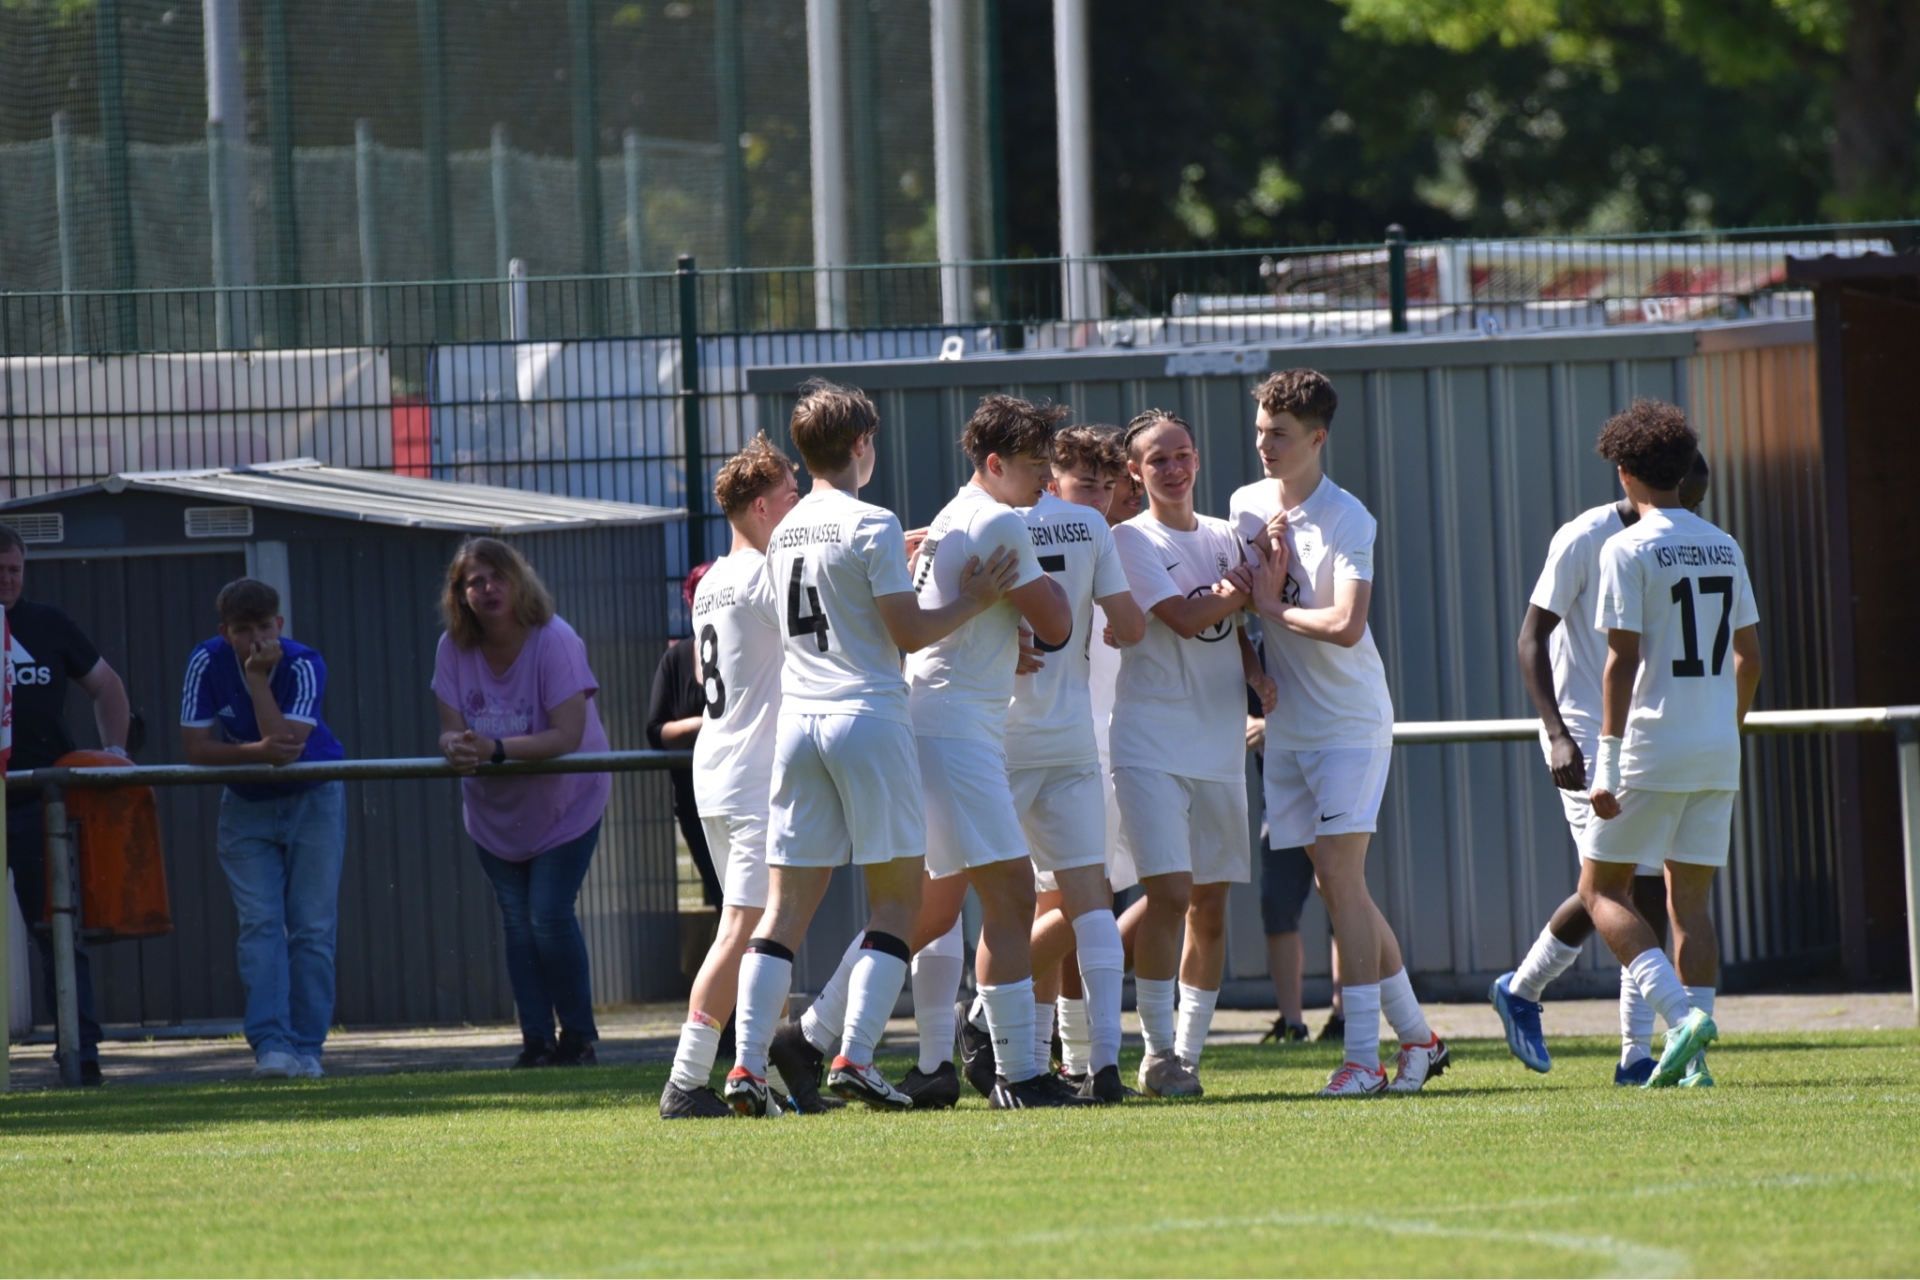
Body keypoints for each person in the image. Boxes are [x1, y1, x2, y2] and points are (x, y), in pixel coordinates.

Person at [774, 394, 1084, 1113]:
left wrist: (1000, 633)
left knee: (932, 912)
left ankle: (809, 1037)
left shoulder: (953, 513)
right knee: (1013, 894)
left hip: (935, 720)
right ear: (995, 463)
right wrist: (1033, 604)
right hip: (954, 731)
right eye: (1035, 464)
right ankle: (1017, 1071)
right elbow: (1059, 625)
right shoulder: (999, 520)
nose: (1048, 479)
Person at [724, 379, 1019, 1117]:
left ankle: (747, 1068)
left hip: (800, 722)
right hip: (867, 717)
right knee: (897, 901)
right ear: (861, 445)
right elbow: (909, 633)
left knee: (783, 910)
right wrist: (976, 599)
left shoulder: (785, 527)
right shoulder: (873, 521)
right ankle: (854, 1055)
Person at [1233, 368, 1446, 1097]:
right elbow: (1241, 615)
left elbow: (1348, 625)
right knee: (1336, 885)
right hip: (1288, 729)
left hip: (1350, 724)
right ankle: (1419, 1038)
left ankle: (1362, 1059)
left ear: (1317, 438)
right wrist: (1256, 671)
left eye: (1280, 434)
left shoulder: (1349, 517)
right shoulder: (1245, 505)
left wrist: (1272, 608)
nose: (1264, 445)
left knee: (1342, 881)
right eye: (1259, 430)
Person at [1491, 449, 1710, 1084]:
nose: (1686, 512)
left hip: (1643, 734)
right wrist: (1558, 734)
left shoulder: (1678, 542)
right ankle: (1618, 1043)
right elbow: (1531, 637)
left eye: (1696, 503)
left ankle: (1602, 1036)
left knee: (1632, 886)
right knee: (1614, 884)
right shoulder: (1584, 536)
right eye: (1682, 497)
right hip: (1586, 738)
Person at [1583, 399, 1760, 1089]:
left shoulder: (1626, 547)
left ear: (1625, 474)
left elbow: (1620, 661)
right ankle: (1697, 1066)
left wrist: (1605, 760)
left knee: (1600, 890)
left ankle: (1681, 1019)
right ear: (1686, 470)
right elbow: (1750, 659)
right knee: (1692, 905)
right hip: (1716, 748)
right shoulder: (1725, 544)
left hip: (1651, 746)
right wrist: (1725, 729)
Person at [1110, 409, 1275, 1099]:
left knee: (1209, 906)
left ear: (1198, 458)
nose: (1173, 469)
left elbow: (1232, 627)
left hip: (1217, 743)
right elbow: (1181, 618)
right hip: (1149, 740)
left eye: (1182, 455)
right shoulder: (1129, 537)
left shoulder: (1223, 535)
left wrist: (1256, 676)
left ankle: (1186, 1057)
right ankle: (1154, 1052)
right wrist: (1244, 585)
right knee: (1169, 894)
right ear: (1135, 472)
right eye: (1158, 460)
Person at [997, 424, 1144, 1104]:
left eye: (1107, 484)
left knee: (1048, 902)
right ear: (1048, 473)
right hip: (1059, 737)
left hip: (1015, 737)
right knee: (1076, 902)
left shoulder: (990, 521)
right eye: (1086, 481)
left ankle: (1046, 1061)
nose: (1098, 495)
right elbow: (1132, 626)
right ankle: (1072, 1056)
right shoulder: (1086, 529)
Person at [660, 435, 801, 1119]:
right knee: (744, 928)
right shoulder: (759, 577)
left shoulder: (714, 578)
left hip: (718, 768)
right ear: (761, 506)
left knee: (757, 929)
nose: (801, 505)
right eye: (792, 494)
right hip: (749, 774)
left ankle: (759, 1075)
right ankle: (687, 1081)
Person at [433, 538, 612, 1069]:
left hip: (567, 804)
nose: (488, 589)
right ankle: (536, 1041)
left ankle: (577, 1039)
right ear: (460, 595)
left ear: (518, 581)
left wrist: (495, 749)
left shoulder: (554, 639)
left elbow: (567, 735)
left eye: (497, 577)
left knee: (548, 915)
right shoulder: (451, 648)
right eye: (475, 582)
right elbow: (450, 730)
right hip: (494, 813)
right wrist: (455, 746)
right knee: (517, 921)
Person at [181, 578, 348, 1080]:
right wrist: (255, 754)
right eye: (243, 630)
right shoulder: (205, 660)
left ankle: (308, 1048)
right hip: (246, 805)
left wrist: (257, 681)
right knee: (260, 924)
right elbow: (195, 749)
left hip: (313, 797)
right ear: (224, 632)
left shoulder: (304, 663)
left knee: (312, 928)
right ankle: (272, 1046)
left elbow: (287, 748)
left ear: (280, 624)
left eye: (263, 627)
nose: (256, 640)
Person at [0, 522, 131, 1085]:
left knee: (56, 932)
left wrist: (114, 753)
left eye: (15, 570)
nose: (7, 580)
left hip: (41, 803)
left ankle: (81, 1054)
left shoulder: (50, 624)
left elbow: (106, 686)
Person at [646, 565, 723, 909]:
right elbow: (656, 731)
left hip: (745, 793)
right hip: (695, 803)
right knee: (725, 901)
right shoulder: (675, 659)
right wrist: (704, 724)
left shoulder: (748, 648)